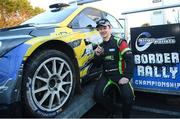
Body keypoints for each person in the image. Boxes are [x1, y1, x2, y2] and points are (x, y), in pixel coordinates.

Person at [93, 18, 135, 118]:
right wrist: (97, 55)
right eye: (100, 29)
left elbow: (130, 59)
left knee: (128, 97)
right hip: (106, 76)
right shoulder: (100, 46)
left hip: (120, 75)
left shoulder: (119, 42)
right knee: (97, 96)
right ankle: (112, 110)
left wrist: (127, 76)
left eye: (104, 28)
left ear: (110, 28)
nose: (102, 31)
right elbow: (97, 65)